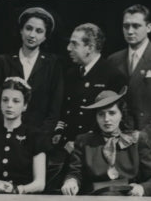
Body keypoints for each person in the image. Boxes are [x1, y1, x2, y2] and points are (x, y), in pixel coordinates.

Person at [106, 5, 151, 162]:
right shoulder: (113, 60)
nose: (130, 31)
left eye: (136, 26)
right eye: (126, 26)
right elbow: (110, 103)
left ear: (149, 27)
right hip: (119, 140)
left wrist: (145, 135)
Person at [61, 88, 151, 197]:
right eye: (101, 114)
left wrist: (142, 188)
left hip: (129, 199)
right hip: (93, 199)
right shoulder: (84, 142)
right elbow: (75, 172)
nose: (106, 119)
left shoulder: (136, 139)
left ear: (121, 114)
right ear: (96, 117)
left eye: (112, 113)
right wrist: (71, 181)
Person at [53, 23, 127, 152]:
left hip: (94, 149)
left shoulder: (113, 75)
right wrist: (60, 132)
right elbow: (65, 110)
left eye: (74, 44)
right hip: (67, 146)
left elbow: (113, 119)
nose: (68, 48)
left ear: (90, 47)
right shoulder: (71, 74)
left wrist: (81, 143)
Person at [0, 6, 64, 139]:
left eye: (39, 31)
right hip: (6, 134)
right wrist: (6, 131)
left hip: (39, 136)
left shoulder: (53, 64)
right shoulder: (4, 61)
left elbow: (55, 107)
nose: (32, 35)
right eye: (28, 28)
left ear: (45, 36)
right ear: (21, 30)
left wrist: (41, 136)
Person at [0, 77, 47, 194]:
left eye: (16, 101)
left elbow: (40, 183)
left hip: (22, 199)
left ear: (25, 106)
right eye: (5, 100)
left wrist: (16, 189)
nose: (9, 105)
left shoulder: (35, 136)